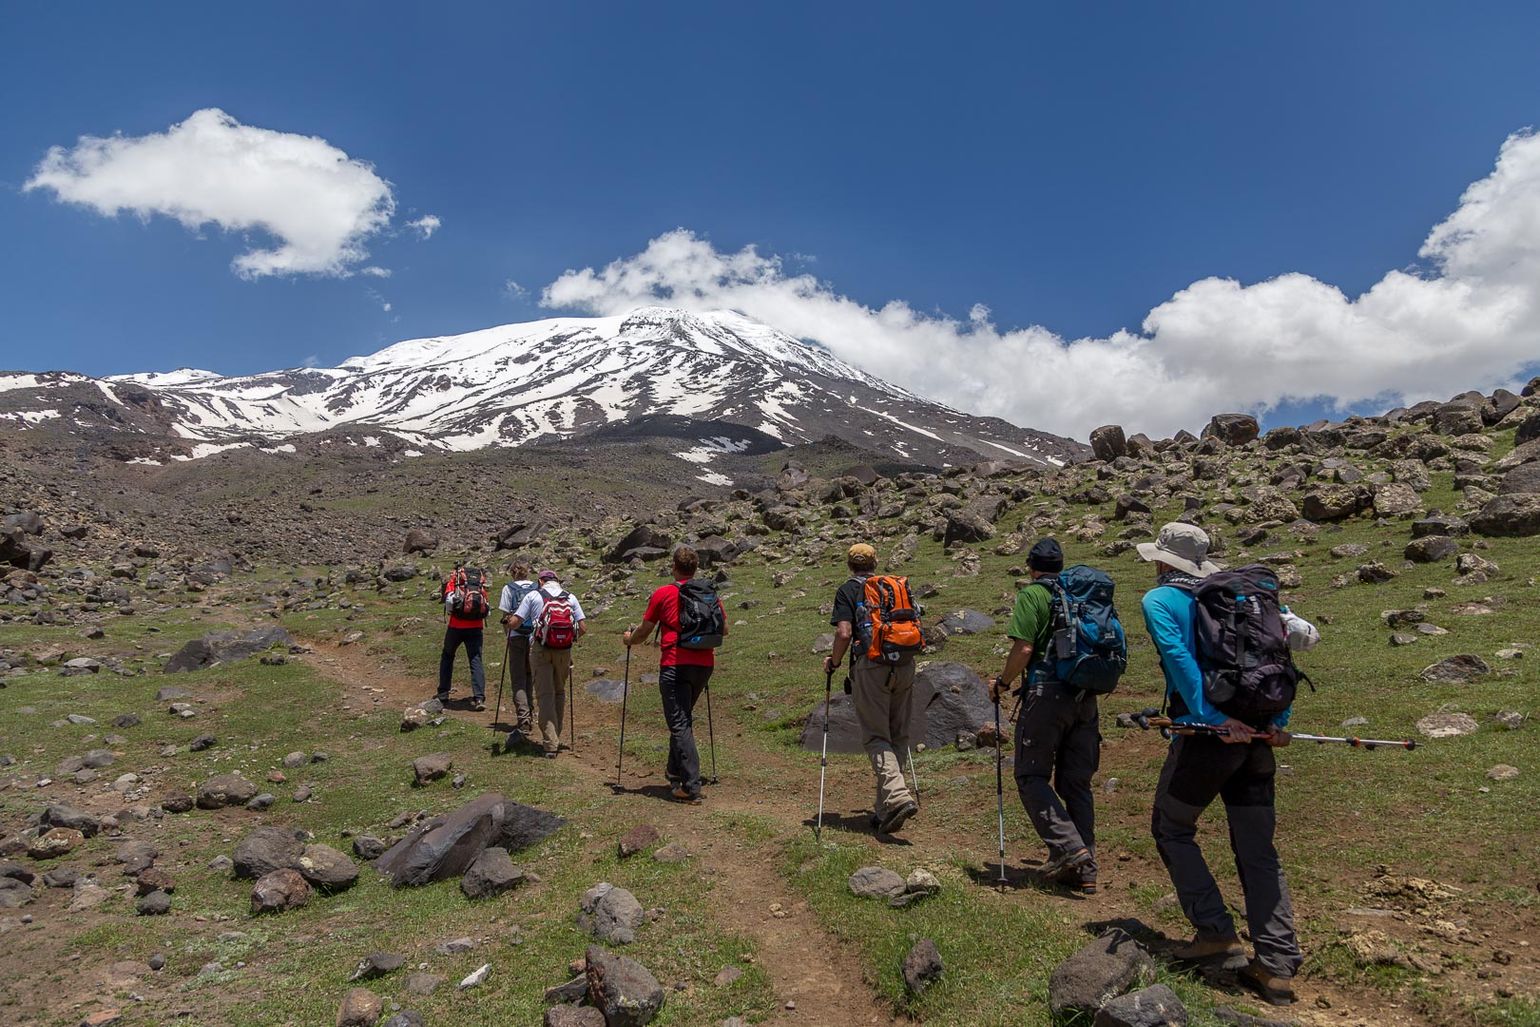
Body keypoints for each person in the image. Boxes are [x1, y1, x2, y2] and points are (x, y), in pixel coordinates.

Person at [1138, 521, 1307, 1006]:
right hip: (1259, 732)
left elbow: (1177, 658)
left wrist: (1213, 719)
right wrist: (1277, 721)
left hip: (1209, 738)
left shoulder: (1161, 600)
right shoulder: (1242, 596)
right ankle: (1276, 965)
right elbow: (1279, 653)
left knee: (1171, 827)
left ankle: (1215, 933)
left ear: (1161, 561)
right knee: (1258, 848)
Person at [987, 538, 1100, 895]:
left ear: (1032, 566)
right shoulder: (1080, 595)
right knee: (1076, 783)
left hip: (1046, 693)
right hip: (1085, 696)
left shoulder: (1033, 595)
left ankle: (1070, 848)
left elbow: (1024, 647)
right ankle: (1086, 869)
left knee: (1031, 775)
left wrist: (1003, 682)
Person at [823, 542, 918, 835]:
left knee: (876, 736)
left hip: (871, 665)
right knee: (897, 735)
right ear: (875, 562)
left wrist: (834, 661)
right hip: (904, 663)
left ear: (849, 564)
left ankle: (898, 796)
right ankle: (884, 810)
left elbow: (844, 632)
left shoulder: (848, 590)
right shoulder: (892, 586)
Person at [622, 545, 728, 804]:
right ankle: (674, 771)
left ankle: (691, 787)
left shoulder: (664, 593)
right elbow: (724, 630)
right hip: (704, 664)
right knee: (682, 718)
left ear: (673, 567)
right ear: (695, 568)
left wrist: (629, 639)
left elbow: (645, 631)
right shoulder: (708, 594)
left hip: (675, 664)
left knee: (679, 723)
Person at [506, 569, 587, 757]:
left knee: (545, 694)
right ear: (557, 580)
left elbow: (515, 623)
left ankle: (550, 744)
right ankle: (556, 735)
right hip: (564, 651)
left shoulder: (534, 595)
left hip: (540, 649)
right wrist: (567, 639)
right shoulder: (570, 597)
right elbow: (583, 627)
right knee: (559, 691)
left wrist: (508, 620)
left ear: (541, 581)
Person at [437, 564, 489, 711]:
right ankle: (479, 697)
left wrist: (451, 613)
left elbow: (448, 600)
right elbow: (485, 604)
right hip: (476, 626)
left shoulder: (455, 579)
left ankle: (443, 693)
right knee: (475, 659)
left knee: (447, 656)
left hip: (456, 626)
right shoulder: (478, 582)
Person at [497, 561, 539, 735]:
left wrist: (507, 635)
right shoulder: (537, 587)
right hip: (534, 637)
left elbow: (506, 616)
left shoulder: (509, 588)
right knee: (530, 676)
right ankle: (531, 711)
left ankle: (523, 719)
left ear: (513, 572)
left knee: (518, 678)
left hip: (516, 637)